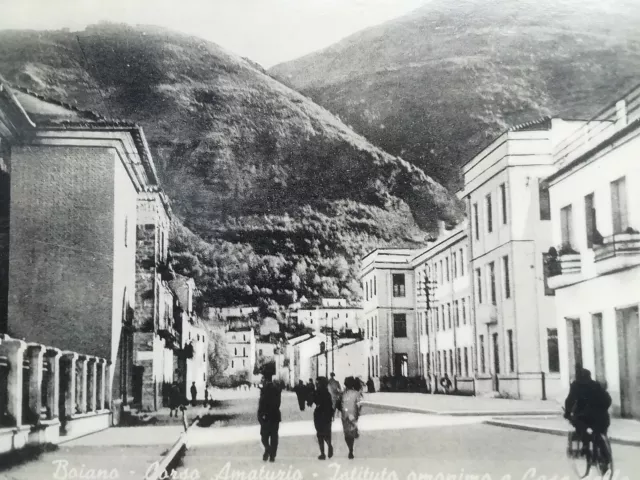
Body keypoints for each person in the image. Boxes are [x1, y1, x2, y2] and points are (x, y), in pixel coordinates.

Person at [564, 367, 612, 455]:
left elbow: (569, 401)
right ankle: (604, 454)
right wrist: (603, 410)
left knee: (578, 424)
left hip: (585, 416)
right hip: (602, 417)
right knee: (600, 431)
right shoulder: (596, 385)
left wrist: (567, 413)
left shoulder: (576, 385)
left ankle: (586, 445)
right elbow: (608, 400)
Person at [258, 373, 282, 462]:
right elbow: (278, 403)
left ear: (266, 380)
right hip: (275, 416)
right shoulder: (276, 389)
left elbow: (262, 404)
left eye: (262, 379)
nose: (261, 381)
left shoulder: (265, 390)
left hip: (266, 416)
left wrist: (260, 415)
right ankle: (272, 454)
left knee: (264, 436)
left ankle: (268, 449)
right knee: (274, 436)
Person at [340, 376, 362, 460]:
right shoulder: (356, 393)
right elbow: (359, 404)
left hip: (345, 415)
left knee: (346, 433)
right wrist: (358, 413)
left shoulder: (344, 394)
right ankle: (351, 448)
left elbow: (341, 404)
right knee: (351, 431)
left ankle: (350, 449)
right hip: (352, 414)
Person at [313, 376, 334, 460]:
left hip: (319, 415)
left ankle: (322, 453)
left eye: (317, 382)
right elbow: (330, 404)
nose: (316, 384)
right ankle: (329, 445)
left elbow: (314, 401)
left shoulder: (317, 392)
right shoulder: (327, 393)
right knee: (326, 433)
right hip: (327, 415)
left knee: (319, 434)